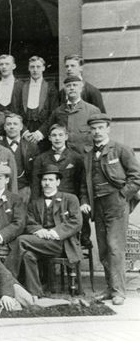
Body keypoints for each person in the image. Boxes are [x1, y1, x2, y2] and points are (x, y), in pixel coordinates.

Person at [80, 113, 140, 305]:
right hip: (97, 205)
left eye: (100, 128)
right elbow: (83, 184)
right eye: (93, 128)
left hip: (116, 204)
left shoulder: (121, 149)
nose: (96, 132)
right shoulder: (88, 154)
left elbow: (136, 177)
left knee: (115, 248)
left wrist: (123, 196)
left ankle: (119, 291)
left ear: (108, 128)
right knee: (104, 249)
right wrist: (84, 201)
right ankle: (109, 288)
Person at [5, 165, 82, 297]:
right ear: (41, 182)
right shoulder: (35, 203)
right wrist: (39, 230)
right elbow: (29, 222)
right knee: (28, 255)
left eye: (51, 180)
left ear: (58, 182)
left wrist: (54, 232)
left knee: (21, 240)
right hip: (40, 243)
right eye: (44, 180)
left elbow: (76, 222)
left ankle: (6, 281)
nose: (47, 183)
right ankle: (35, 294)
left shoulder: (70, 198)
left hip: (62, 244)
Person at [31, 124, 87, 245]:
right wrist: (35, 205)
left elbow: (82, 184)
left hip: (68, 205)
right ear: (49, 138)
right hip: (47, 204)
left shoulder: (76, 158)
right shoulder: (41, 158)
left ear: (66, 137)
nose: (57, 138)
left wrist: (83, 202)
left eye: (61, 135)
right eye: (54, 135)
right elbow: (35, 185)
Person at [38, 76, 101, 153]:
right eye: (68, 86)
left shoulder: (93, 110)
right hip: (65, 156)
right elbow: (48, 126)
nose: (71, 88)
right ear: (65, 90)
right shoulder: (58, 111)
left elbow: (100, 134)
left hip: (85, 155)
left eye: (75, 85)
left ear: (81, 88)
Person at [0, 112, 38, 203]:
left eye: (15, 124)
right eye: (9, 124)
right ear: (4, 127)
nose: (12, 127)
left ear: (21, 127)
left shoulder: (31, 147)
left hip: (24, 190)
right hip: (3, 190)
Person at [20, 56, 59, 147]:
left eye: (38, 67)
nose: (35, 70)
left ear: (43, 68)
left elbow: (54, 113)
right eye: (32, 67)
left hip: (43, 133)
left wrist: (41, 133)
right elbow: (17, 111)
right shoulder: (22, 87)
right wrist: (24, 131)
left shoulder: (51, 87)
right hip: (26, 133)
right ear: (29, 68)